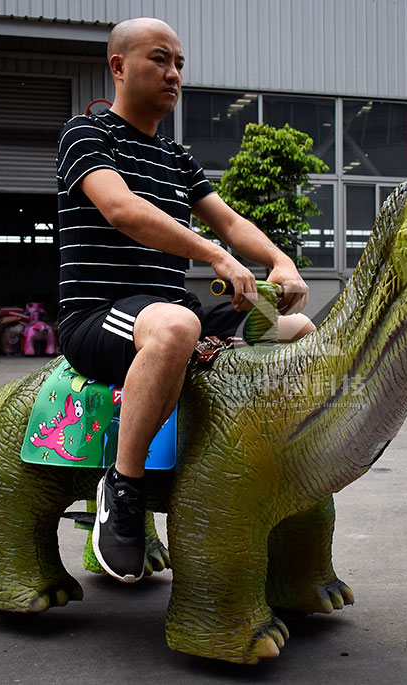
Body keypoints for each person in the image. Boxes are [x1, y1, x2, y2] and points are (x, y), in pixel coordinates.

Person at [56, 17, 313, 583]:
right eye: (159, 59)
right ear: (118, 66)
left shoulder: (176, 157)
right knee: (175, 326)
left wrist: (281, 262)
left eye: (179, 64)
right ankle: (123, 489)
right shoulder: (86, 136)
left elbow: (228, 219)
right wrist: (217, 257)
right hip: (101, 317)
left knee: (297, 331)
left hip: (177, 315)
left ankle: (279, 467)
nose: (173, 74)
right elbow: (122, 211)